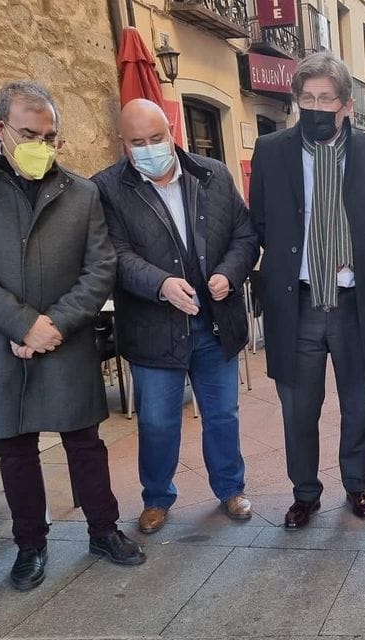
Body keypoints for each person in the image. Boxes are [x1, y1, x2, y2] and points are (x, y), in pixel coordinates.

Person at [0, 80, 146, 591]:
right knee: (15, 450)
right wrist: (22, 323)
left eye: (51, 137)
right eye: (31, 134)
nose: (42, 147)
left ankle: (103, 529)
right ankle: (30, 544)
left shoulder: (81, 191)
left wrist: (52, 324)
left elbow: (100, 267)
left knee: (84, 441)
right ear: (0, 129)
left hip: (64, 337)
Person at [93, 100, 259, 534]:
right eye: (137, 143)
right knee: (158, 420)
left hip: (215, 323)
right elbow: (114, 255)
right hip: (153, 328)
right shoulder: (107, 189)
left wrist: (229, 272)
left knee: (223, 414)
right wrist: (161, 284)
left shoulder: (213, 175)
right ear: (123, 144)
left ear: (172, 129)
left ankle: (230, 488)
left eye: (156, 138)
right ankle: (157, 497)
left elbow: (244, 235)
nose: (149, 148)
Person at [249, 53, 365, 530]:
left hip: (354, 302)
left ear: (346, 104)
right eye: (306, 98)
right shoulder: (271, 151)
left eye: (325, 98)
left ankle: (357, 486)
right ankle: (304, 493)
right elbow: (262, 223)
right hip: (299, 301)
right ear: (295, 101)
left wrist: (359, 254)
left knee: (357, 404)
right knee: (298, 408)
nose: (315, 106)